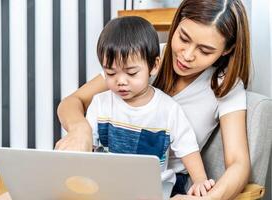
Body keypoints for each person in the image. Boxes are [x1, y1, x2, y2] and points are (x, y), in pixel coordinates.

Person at [55, 0, 251, 199]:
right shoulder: (143, 57)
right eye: (183, 38)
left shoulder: (225, 84)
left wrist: (208, 198)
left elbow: (239, 163)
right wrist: (81, 129)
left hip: (162, 185)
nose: (187, 55)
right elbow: (72, 102)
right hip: (109, 178)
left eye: (205, 50)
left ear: (227, 49)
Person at [86, 16, 215, 197]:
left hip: (152, 191)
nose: (121, 81)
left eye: (131, 73)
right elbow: (85, 149)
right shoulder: (100, 104)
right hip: (108, 188)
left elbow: (188, 149)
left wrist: (200, 180)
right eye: (110, 73)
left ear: (154, 66)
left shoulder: (168, 109)